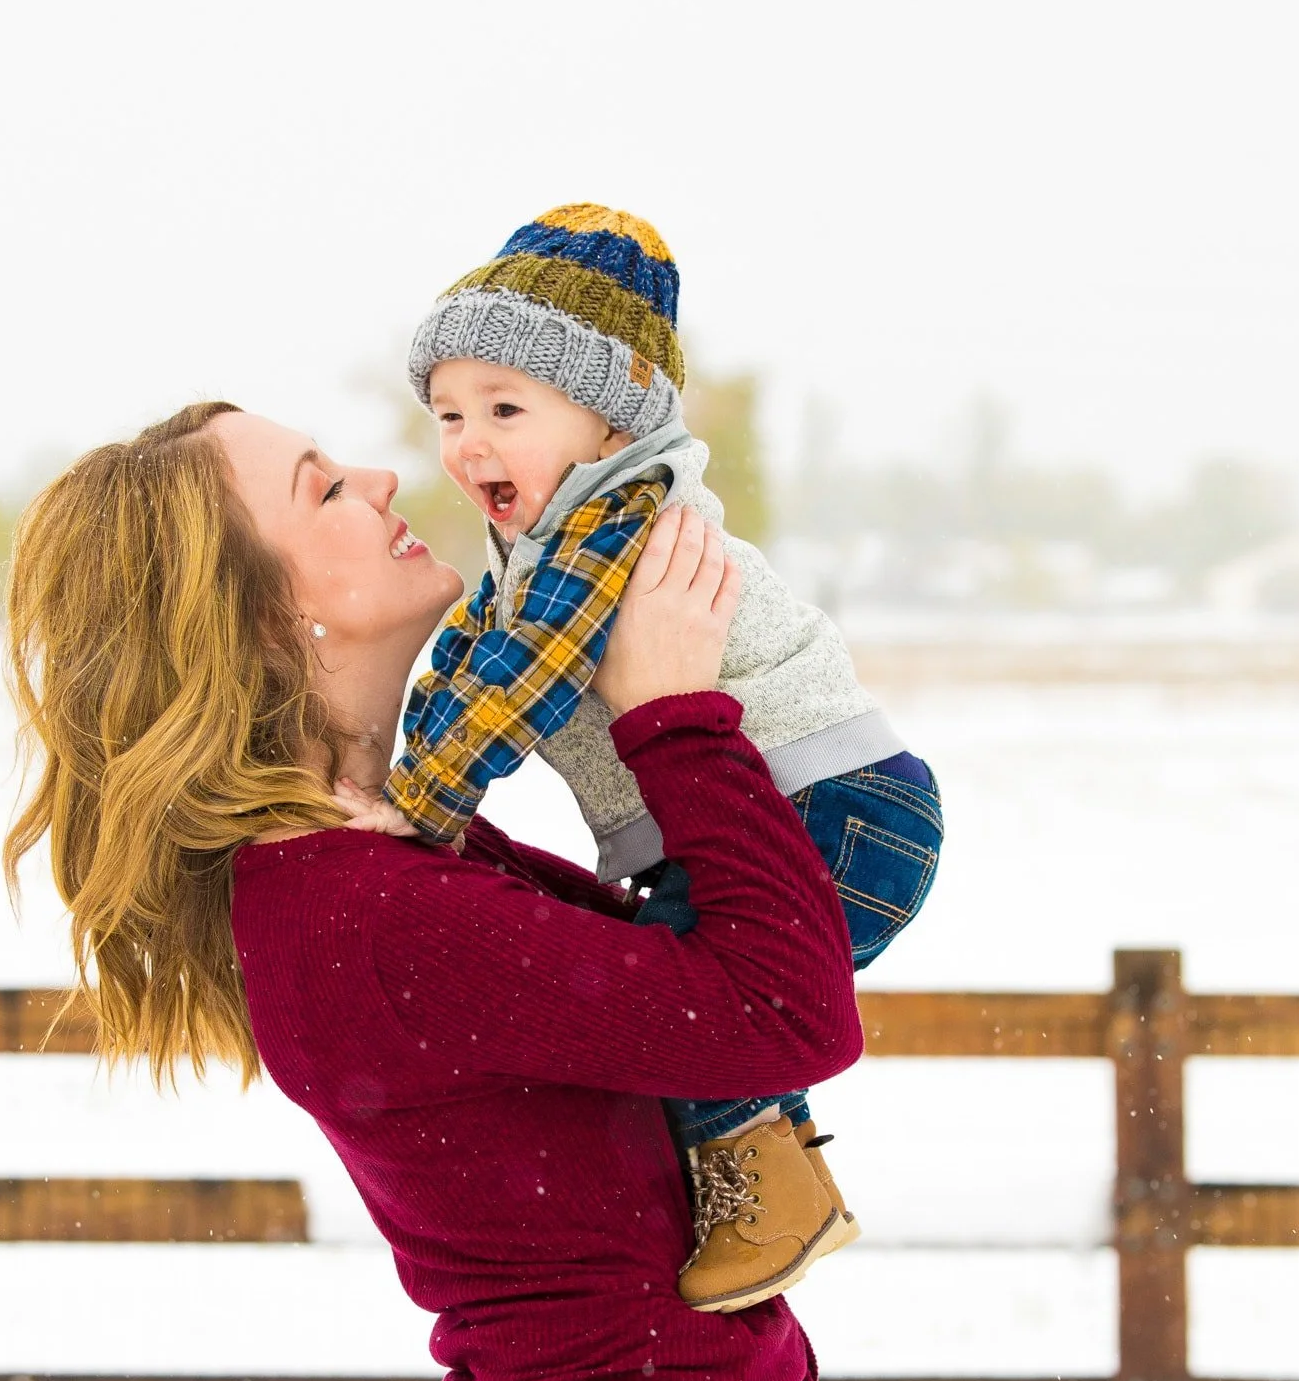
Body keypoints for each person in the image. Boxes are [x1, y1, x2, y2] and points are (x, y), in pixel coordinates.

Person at [3, 399, 866, 1381]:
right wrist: (674, 718)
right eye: (322, 488)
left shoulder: (386, 854)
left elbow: (697, 998)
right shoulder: (355, 907)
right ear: (261, 611)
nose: (384, 475)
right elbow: (783, 1012)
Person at [355, 202, 943, 1318]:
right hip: (806, 809)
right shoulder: (546, 540)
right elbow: (471, 655)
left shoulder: (617, 522)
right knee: (684, 990)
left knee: (684, 1009)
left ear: (614, 425)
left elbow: (518, 675)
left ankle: (770, 1199)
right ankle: (775, 1168)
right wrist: (403, 774)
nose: (465, 442)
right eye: (445, 413)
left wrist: (420, 806)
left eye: (504, 409)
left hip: (829, 805)